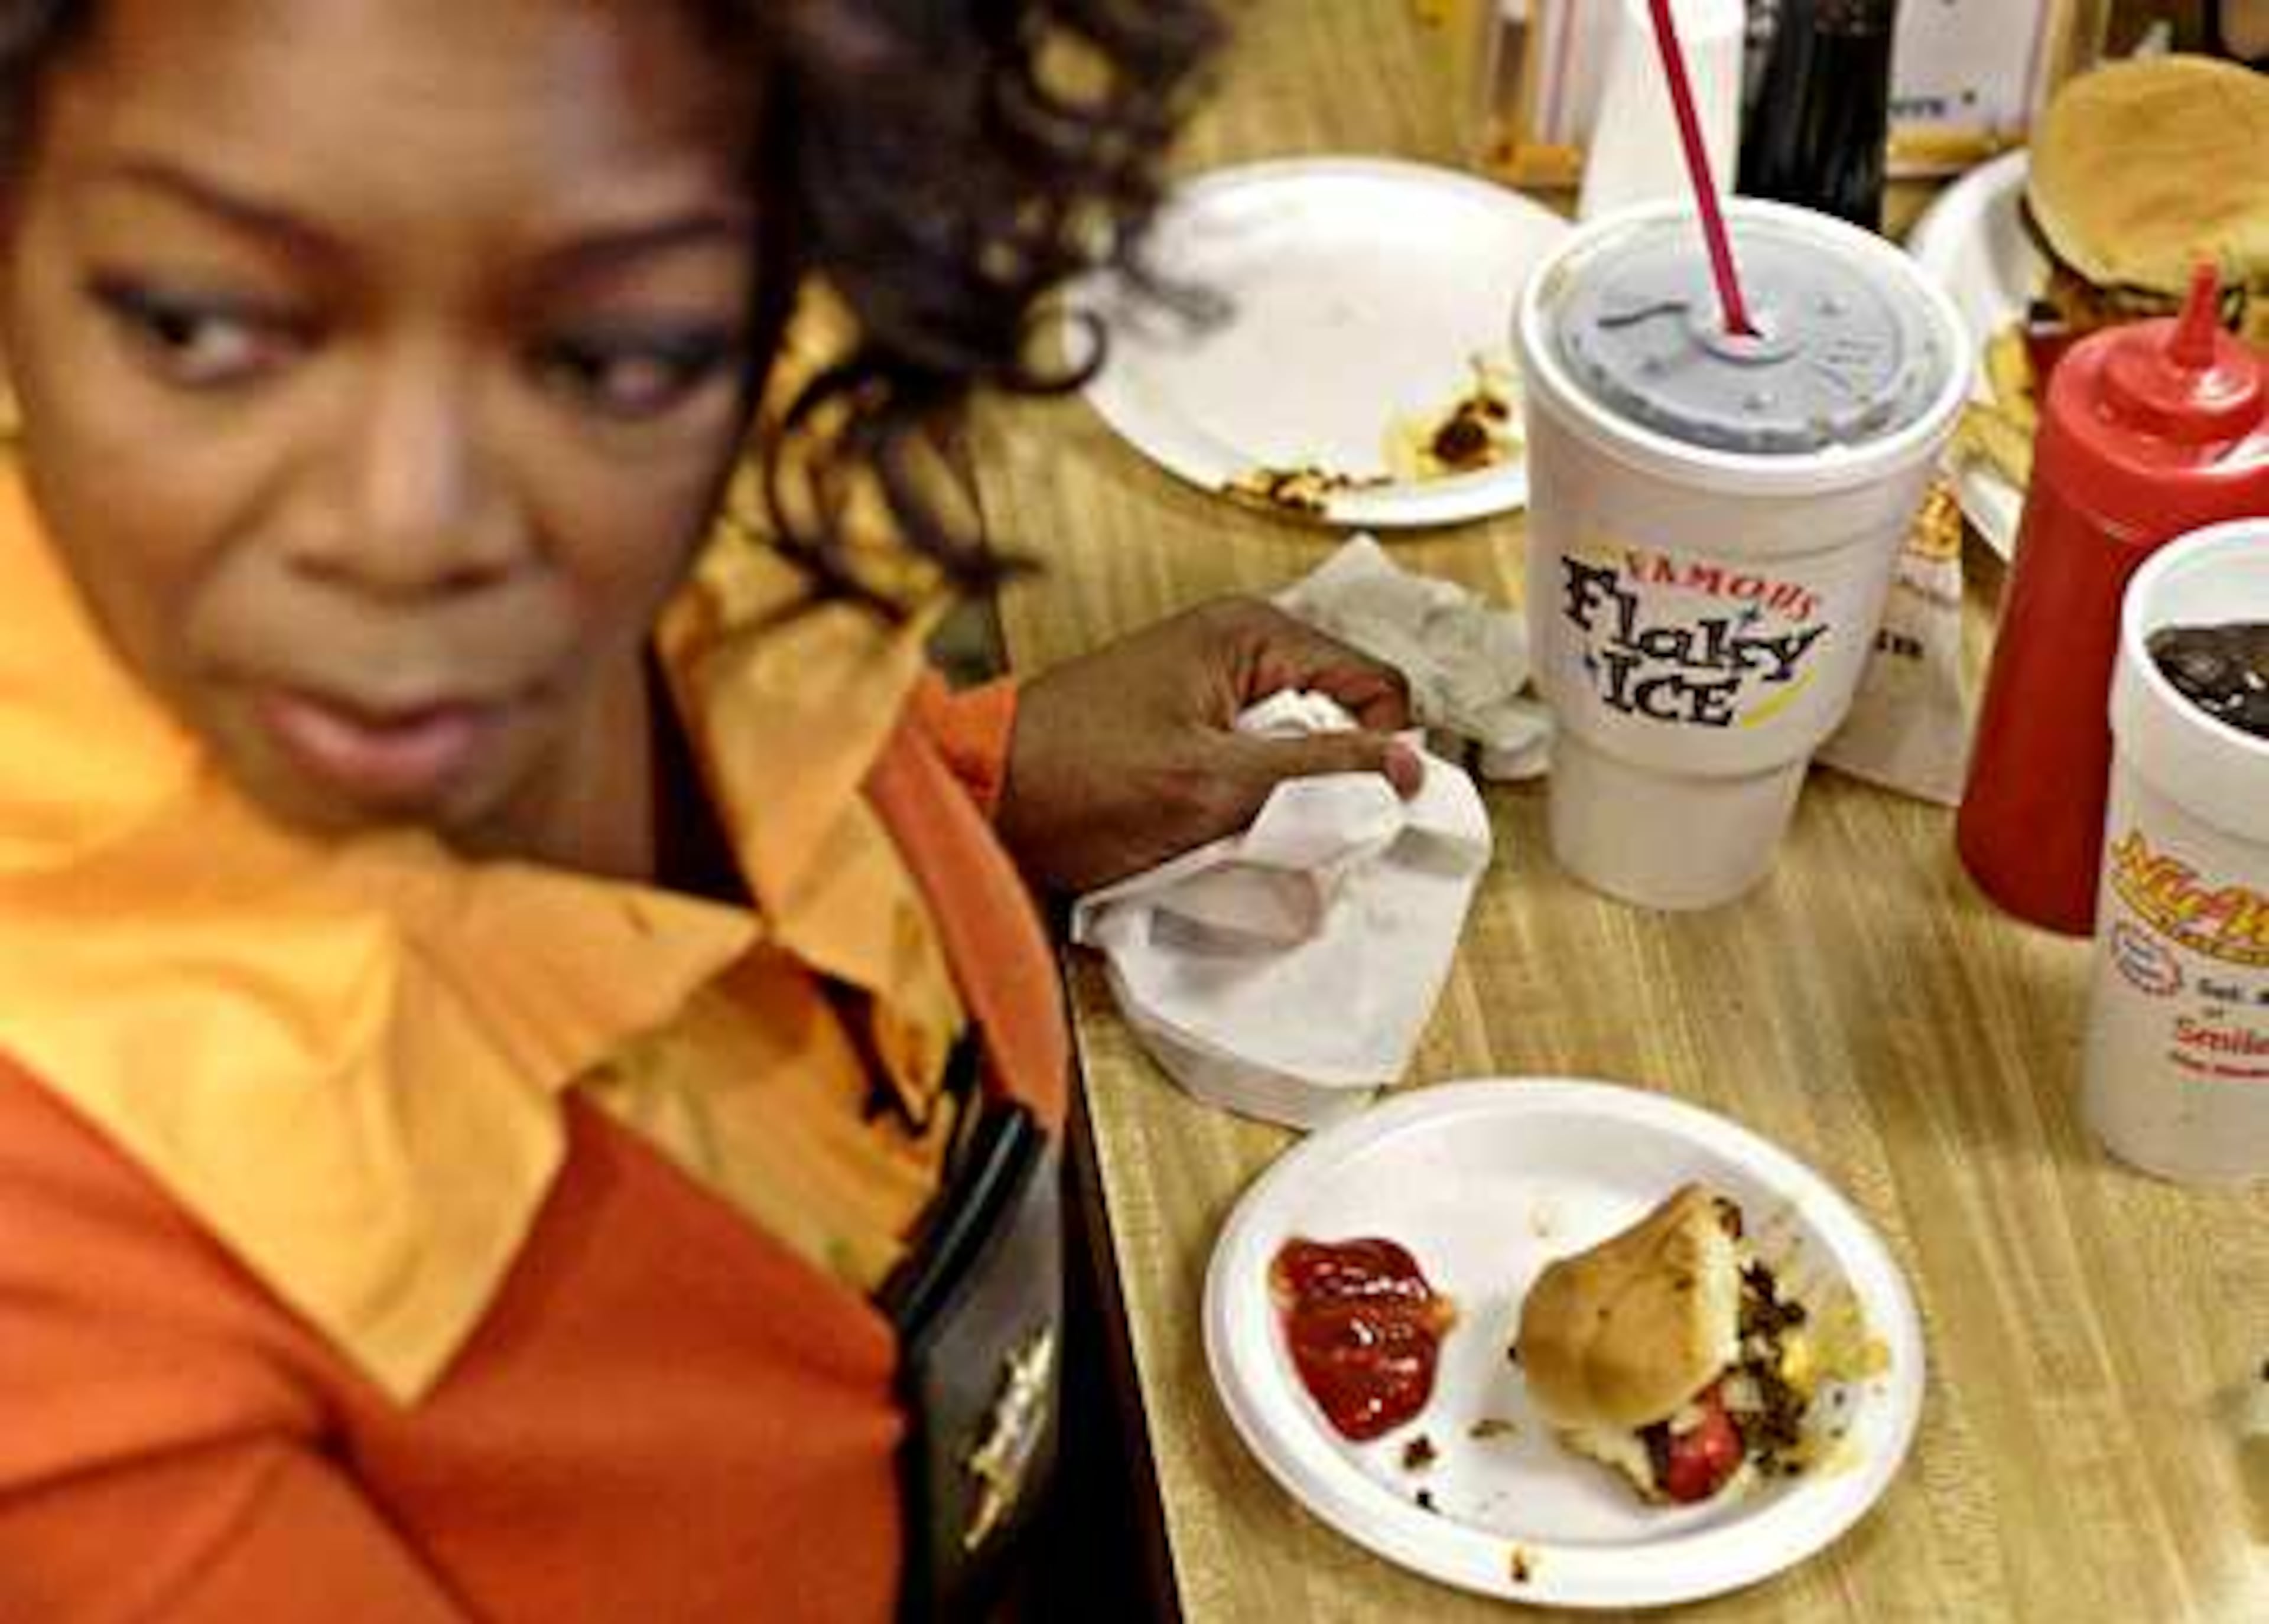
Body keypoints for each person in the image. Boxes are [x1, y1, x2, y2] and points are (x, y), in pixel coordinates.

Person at [0, 2, 1420, 1619]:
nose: (408, 529)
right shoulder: (67, 1320)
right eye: (196, 329)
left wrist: (974, 779)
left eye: (613, 356)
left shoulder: (758, 467)